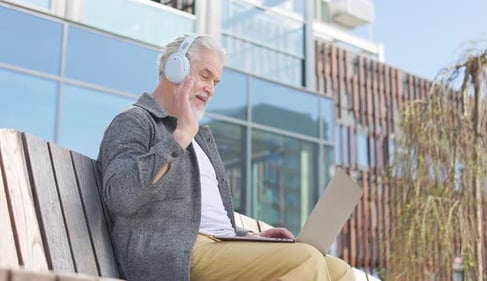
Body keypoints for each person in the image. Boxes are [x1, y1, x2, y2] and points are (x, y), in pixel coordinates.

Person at [97, 34, 355, 281]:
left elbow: (211, 220)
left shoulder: (198, 139)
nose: (210, 89)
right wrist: (179, 137)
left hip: (218, 246)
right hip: (174, 253)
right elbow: (121, 196)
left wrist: (250, 238)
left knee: (338, 270)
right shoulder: (136, 121)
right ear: (174, 68)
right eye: (204, 76)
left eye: (215, 82)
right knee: (304, 259)